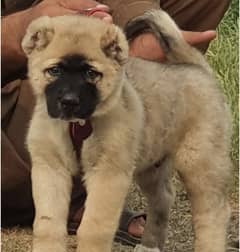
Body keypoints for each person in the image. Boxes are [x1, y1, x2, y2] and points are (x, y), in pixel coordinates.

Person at [1, 0, 230, 246]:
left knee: (202, 187)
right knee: (53, 164)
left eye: (90, 74)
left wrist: (141, 25)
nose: (69, 95)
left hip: (178, 98)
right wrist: (18, 27)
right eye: (55, 71)